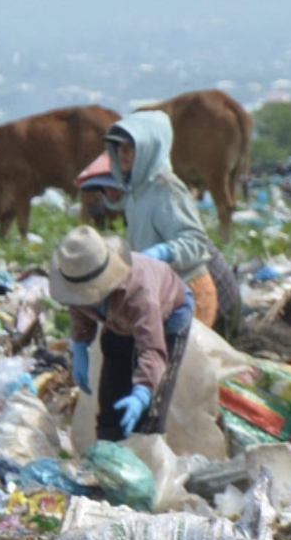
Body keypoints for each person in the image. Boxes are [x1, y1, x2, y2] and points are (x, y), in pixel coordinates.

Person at [102, 109, 243, 338]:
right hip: (166, 293)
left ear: (149, 148)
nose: (122, 153)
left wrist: (162, 252)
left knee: (183, 366)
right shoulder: (138, 192)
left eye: (130, 146)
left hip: (190, 292)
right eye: (118, 147)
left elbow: (195, 242)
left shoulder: (166, 188)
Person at [52, 226, 194, 439]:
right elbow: (79, 309)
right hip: (117, 321)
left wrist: (142, 392)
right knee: (111, 405)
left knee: (148, 417)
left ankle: (146, 453)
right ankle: (108, 452)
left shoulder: (141, 295)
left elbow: (152, 349)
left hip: (169, 315)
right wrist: (80, 345)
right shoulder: (78, 279)